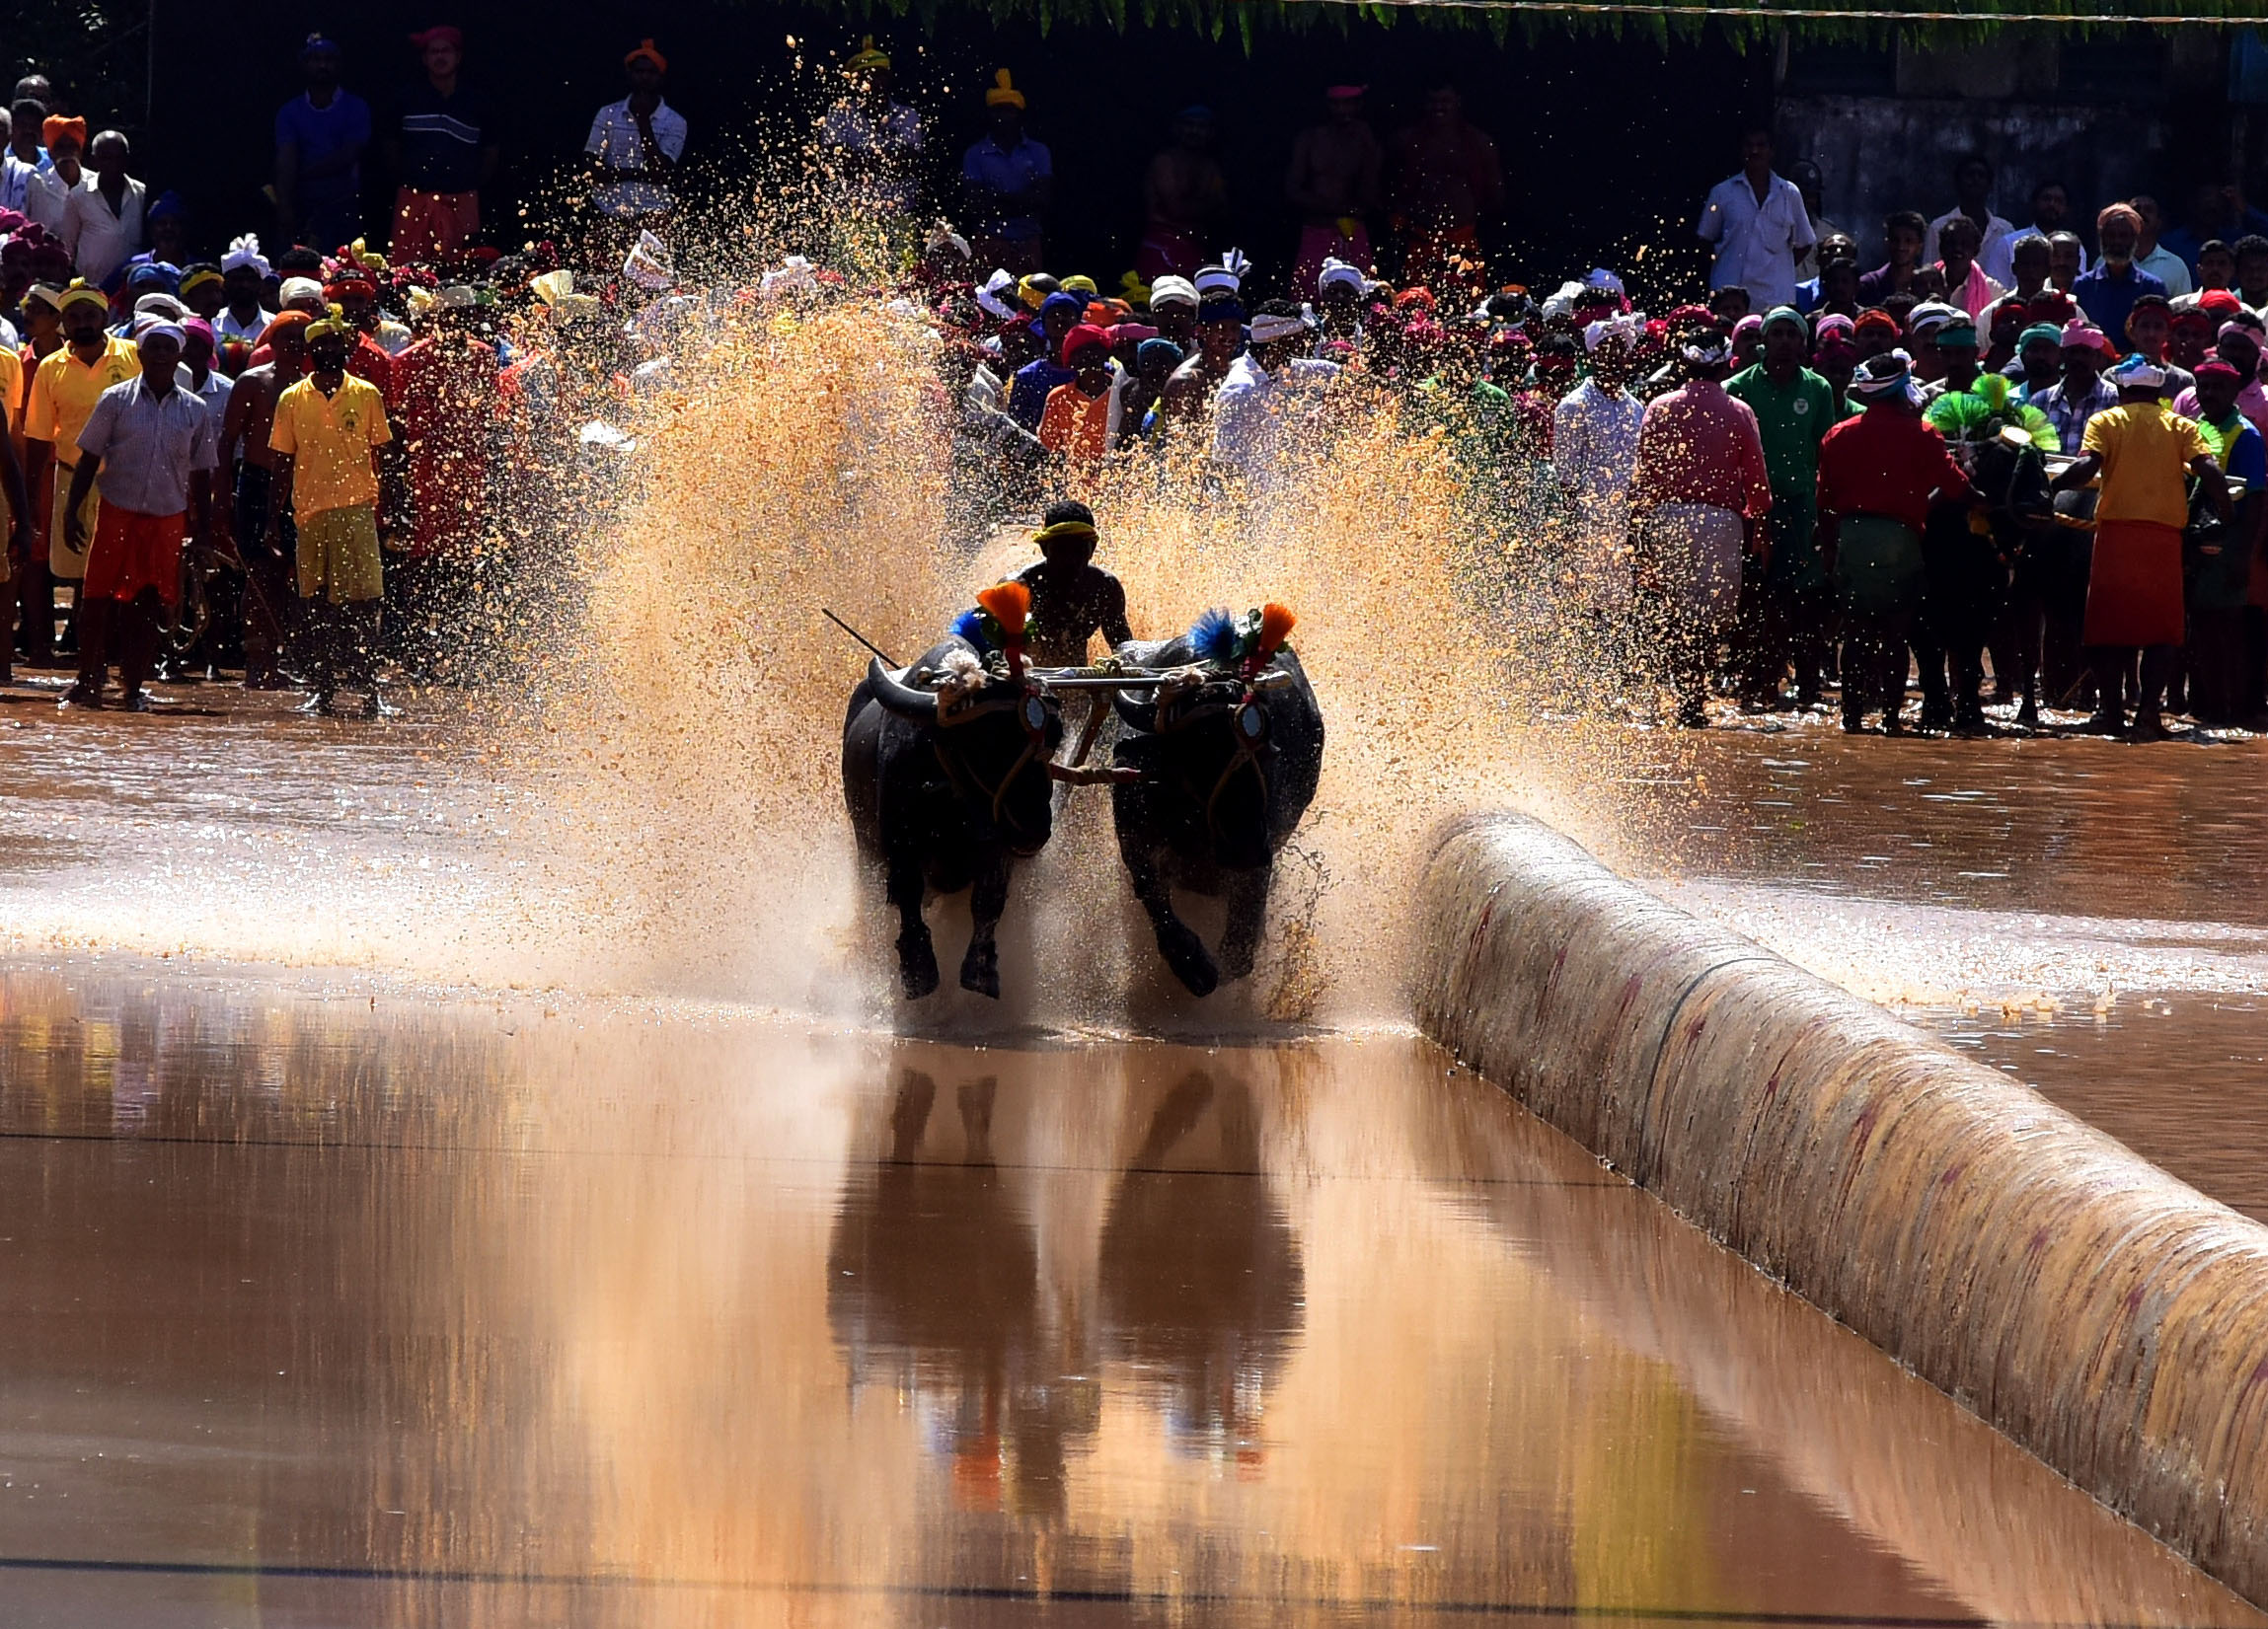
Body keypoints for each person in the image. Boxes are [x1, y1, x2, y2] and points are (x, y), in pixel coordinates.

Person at [2050, 354, 2230, 737]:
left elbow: (2087, 468)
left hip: (2116, 539)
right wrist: (2227, 512)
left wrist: (2051, 488)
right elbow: (2209, 471)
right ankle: (2148, 713)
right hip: (2163, 543)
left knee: (2105, 630)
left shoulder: (2106, 421)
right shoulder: (2181, 425)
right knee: (2162, 633)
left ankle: (2111, 713)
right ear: (2159, 393)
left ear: (2122, 391)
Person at [58, 322, 216, 709]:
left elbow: (202, 473)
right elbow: (89, 457)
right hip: (116, 510)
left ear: (178, 355)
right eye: (153, 348)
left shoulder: (195, 409)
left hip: (166, 516)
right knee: (96, 598)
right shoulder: (115, 399)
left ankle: (131, 687)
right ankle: (87, 680)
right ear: (140, 355)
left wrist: (205, 530)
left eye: (168, 348)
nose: (161, 355)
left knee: (148, 600)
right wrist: (71, 511)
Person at [1816, 352, 1973, 733]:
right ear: (1903, 389)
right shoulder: (1923, 434)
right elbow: (1957, 488)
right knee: (1895, 635)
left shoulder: (1839, 434)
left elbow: (1825, 499)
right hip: (1900, 539)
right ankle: (1890, 719)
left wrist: (1831, 547)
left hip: (1853, 537)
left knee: (1855, 634)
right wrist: (1973, 477)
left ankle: (1852, 719)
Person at [1629, 330, 1772, 727]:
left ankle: (1681, 695)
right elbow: (1756, 480)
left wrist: (1639, 534)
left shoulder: (1659, 407)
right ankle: (1695, 700)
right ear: (1727, 365)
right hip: (1720, 523)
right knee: (1709, 619)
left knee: (1674, 613)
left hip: (1669, 519)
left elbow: (1643, 476)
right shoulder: (1739, 411)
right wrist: (1761, 524)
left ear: (1683, 366)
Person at [267, 315, 393, 715]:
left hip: (357, 512)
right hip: (310, 513)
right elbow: (283, 462)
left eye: (335, 343)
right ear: (310, 352)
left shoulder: (367, 394)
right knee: (316, 605)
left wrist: (394, 508)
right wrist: (272, 518)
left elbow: (384, 454)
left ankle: (370, 693)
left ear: (345, 348)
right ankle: (323, 691)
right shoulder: (291, 399)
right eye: (320, 345)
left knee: (365, 605)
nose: (328, 350)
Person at [1726, 305, 1839, 708]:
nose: (1785, 342)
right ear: (1763, 340)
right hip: (1752, 510)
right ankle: (1753, 686)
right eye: (1777, 334)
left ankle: (1807, 689)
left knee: (1802, 600)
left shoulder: (1818, 389)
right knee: (1754, 599)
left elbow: (1826, 454)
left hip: (1801, 508)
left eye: (1793, 334)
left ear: (1803, 343)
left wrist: (1824, 513)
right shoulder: (1738, 388)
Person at [24, 283, 138, 623]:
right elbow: (39, 437)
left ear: (104, 317)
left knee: (126, 570)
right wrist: (31, 499)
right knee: (78, 572)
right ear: (64, 322)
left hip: (125, 482)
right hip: (71, 479)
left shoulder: (134, 356)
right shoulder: (50, 368)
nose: (83, 323)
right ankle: (84, 636)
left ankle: (119, 643)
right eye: (74, 317)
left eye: (90, 315)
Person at [215, 311, 310, 688]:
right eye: (288, 336)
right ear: (272, 341)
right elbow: (227, 440)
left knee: (294, 576)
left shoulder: (310, 387)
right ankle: (258, 663)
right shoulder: (253, 382)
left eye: (302, 337)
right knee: (259, 575)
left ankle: (288, 660)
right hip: (257, 482)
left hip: (298, 487)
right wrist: (222, 494)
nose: (295, 344)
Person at [2183, 357, 2268, 724]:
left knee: (2229, 630)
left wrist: (2242, 557)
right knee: (2200, 628)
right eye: (2204, 387)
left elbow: (2257, 500)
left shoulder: (2245, 435)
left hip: (2230, 542)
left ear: (2234, 391)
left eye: (2218, 387)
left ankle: (2236, 710)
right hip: (2196, 541)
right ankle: (2208, 707)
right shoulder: (2194, 429)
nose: (2209, 394)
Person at [388, 25, 498, 266]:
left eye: (445, 51)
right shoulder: (405, 99)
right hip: (414, 200)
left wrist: (467, 185)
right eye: (434, 51)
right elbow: (391, 148)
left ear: (458, 57)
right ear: (424, 59)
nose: (440, 57)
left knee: (461, 271)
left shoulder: (478, 103)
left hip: (461, 201)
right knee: (405, 271)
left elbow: (491, 153)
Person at [1211, 301, 1339, 491]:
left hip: (1275, 492)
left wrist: (1325, 410)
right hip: (1246, 499)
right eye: (1299, 340)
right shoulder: (1240, 391)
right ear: (1279, 342)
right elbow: (1225, 466)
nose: (1307, 346)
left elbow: (1337, 373)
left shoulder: (1279, 367)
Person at [1389, 85, 1501, 295]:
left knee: (1468, 302)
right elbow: (1390, 185)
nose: (1438, 107)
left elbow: (1494, 192)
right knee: (1415, 301)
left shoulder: (1478, 142)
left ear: (1458, 102)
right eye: (1433, 101)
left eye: (1445, 101)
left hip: (1463, 237)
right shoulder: (1407, 141)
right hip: (1420, 237)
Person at [1696, 128, 1814, 315]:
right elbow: (1705, 239)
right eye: (1749, 145)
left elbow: (1805, 242)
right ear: (1741, 151)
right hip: (1730, 298)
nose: (1754, 151)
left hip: (1775, 297)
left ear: (1771, 151)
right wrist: (1727, 262)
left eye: (1761, 145)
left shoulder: (1789, 193)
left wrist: (1777, 268)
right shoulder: (1722, 193)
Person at [274, 36, 372, 251]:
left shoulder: (356, 107)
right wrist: (285, 206)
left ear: (339, 65)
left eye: (329, 59)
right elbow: (285, 160)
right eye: (316, 59)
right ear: (304, 65)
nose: (322, 65)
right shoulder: (289, 112)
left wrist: (301, 173)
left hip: (344, 205)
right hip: (302, 205)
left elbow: (349, 155)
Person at [586, 40, 686, 244]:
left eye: (651, 72)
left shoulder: (675, 121)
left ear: (661, 77)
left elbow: (660, 172)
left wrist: (643, 121)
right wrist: (639, 174)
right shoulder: (608, 114)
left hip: (653, 213)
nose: (645, 78)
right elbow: (590, 168)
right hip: (608, 209)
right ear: (629, 75)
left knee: (651, 265)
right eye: (639, 72)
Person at [1286, 86, 1382, 296]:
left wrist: (1368, 150)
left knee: (1362, 294)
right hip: (1316, 229)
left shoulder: (1364, 138)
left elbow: (1372, 193)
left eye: (1347, 103)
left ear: (1359, 105)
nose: (1342, 110)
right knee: (1308, 295)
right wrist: (1333, 208)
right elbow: (1293, 190)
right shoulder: (1310, 139)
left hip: (1352, 230)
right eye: (1336, 104)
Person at [820, 38, 922, 225]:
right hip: (850, 218)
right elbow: (837, 164)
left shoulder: (907, 115)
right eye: (867, 77)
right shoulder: (839, 114)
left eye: (880, 75)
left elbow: (909, 163)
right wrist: (887, 159)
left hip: (898, 216)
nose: (874, 83)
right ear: (855, 82)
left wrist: (860, 160)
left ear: (889, 79)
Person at [961, 72, 1051, 275]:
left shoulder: (1038, 152)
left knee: (1029, 292)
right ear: (989, 115)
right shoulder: (975, 154)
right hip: (989, 239)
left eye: (1009, 111)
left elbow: (1042, 199)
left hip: (1028, 238)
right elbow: (974, 204)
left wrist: (997, 201)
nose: (1003, 118)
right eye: (997, 111)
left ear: (1019, 114)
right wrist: (1021, 202)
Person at [1137, 108, 1225, 282]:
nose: (1194, 131)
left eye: (1201, 126)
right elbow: (1175, 209)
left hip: (1195, 247)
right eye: (1189, 125)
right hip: (1161, 246)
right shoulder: (1165, 162)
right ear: (1177, 128)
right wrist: (1207, 206)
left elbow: (1222, 211)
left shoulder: (1210, 167)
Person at [2074, 204, 2167, 344]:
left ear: (2135, 239)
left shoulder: (2152, 287)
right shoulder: (2082, 286)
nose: (2117, 241)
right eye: (2111, 235)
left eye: (2123, 236)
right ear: (2101, 238)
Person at [60, 129, 142, 288]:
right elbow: (67, 248)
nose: (113, 164)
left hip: (129, 290)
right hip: (89, 288)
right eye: (106, 158)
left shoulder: (141, 195)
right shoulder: (78, 196)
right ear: (94, 160)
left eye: (118, 157)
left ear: (127, 159)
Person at [2030, 320, 2118, 454]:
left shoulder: (2113, 398)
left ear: (2098, 357)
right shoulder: (2040, 401)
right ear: (2062, 355)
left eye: (2085, 352)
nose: (2078, 358)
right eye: (2073, 352)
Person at [1036, 324, 1116, 465]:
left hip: (1115, 474)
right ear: (1072, 362)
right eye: (1081, 354)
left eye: (1094, 351)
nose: (1088, 357)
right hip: (1074, 475)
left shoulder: (1118, 394)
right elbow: (1049, 446)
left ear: (1105, 355)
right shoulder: (1058, 397)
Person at [1983, 180, 2085, 287]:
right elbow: (1994, 290)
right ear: (2034, 203)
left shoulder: (2076, 248)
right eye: (2046, 199)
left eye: (2059, 201)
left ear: (2067, 208)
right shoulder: (2008, 244)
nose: (2052, 204)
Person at [1925, 154, 2013, 268]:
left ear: (1990, 185)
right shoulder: (1938, 228)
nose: (1975, 180)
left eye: (1981, 175)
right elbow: (1930, 270)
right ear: (1958, 183)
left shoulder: (2005, 230)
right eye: (1970, 175)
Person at [1933, 215, 2005, 322]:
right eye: (1951, 243)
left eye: (1965, 244)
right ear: (1941, 248)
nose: (1958, 249)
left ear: (1976, 250)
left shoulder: (1994, 292)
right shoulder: (1928, 282)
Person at [23, 115, 81, 237]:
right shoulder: (38, 184)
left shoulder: (93, 183)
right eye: (60, 147)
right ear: (50, 152)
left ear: (80, 150)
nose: (67, 152)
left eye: (72, 146)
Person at [1857, 211, 1928, 306]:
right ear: (1887, 243)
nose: (1901, 247)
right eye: (1895, 240)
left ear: (1919, 246)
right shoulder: (1869, 285)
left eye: (1908, 241)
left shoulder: (1926, 286)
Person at [2129, 195, 2193, 300]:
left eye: (2148, 210)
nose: (2141, 213)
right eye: (2136, 210)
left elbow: (2184, 308)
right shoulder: (2107, 262)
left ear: (2159, 222)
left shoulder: (2175, 266)